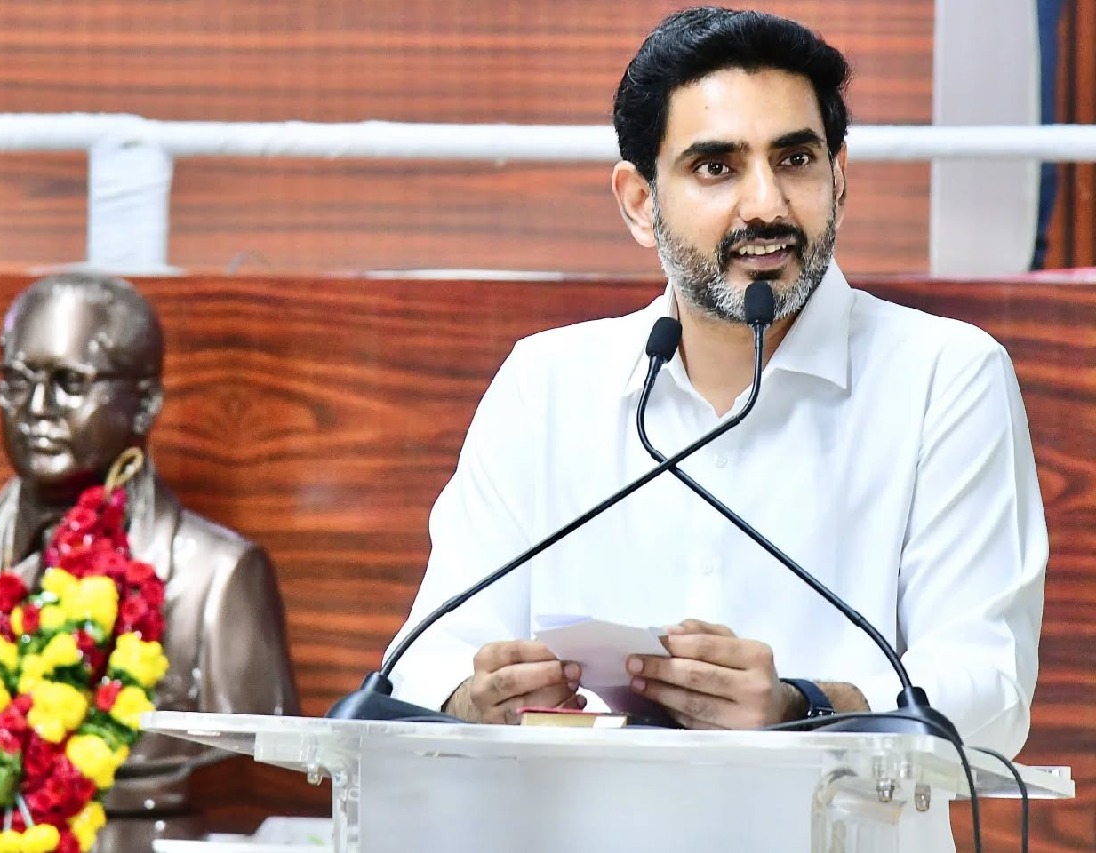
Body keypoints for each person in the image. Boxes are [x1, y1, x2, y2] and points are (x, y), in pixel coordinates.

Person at [387, 7, 1046, 848]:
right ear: (639, 202)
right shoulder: (545, 386)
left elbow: (989, 688)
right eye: (715, 167)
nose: (765, 204)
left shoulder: (945, 377)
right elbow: (425, 655)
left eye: (795, 160)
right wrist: (475, 696)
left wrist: (806, 706)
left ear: (840, 178)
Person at [0, 272, 299, 853]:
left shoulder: (218, 576)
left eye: (70, 383)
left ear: (145, 404)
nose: (36, 409)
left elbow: (253, 725)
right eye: (17, 380)